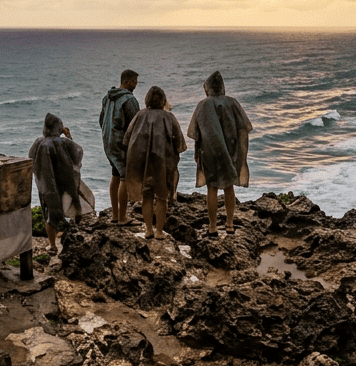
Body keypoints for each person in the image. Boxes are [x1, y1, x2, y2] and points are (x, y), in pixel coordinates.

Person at [188, 71, 252, 235]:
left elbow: (195, 132)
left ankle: (212, 227)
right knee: (229, 186)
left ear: (208, 88)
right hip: (230, 151)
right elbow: (244, 127)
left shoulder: (202, 105)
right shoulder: (232, 102)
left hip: (209, 151)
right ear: (222, 87)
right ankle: (229, 225)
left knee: (212, 188)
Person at [123, 85, 187, 240]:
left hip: (143, 162)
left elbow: (127, 139)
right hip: (163, 162)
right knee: (162, 197)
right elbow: (180, 143)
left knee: (147, 195)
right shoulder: (169, 117)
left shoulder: (140, 115)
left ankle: (148, 230)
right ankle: (159, 231)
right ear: (163, 100)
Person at [29, 113, 95, 253]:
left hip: (46, 185)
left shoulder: (38, 142)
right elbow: (77, 154)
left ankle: (52, 246)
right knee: (75, 205)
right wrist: (68, 136)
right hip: (66, 183)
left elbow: (30, 159)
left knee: (50, 213)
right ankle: (76, 235)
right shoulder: (63, 142)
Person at [100, 69, 141, 225]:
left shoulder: (107, 97)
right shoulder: (129, 100)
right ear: (128, 81)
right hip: (121, 143)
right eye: (135, 83)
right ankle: (123, 218)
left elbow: (101, 120)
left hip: (108, 142)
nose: (135, 86)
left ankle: (115, 216)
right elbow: (135, 124)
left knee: (115, 175)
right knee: (124, 176)